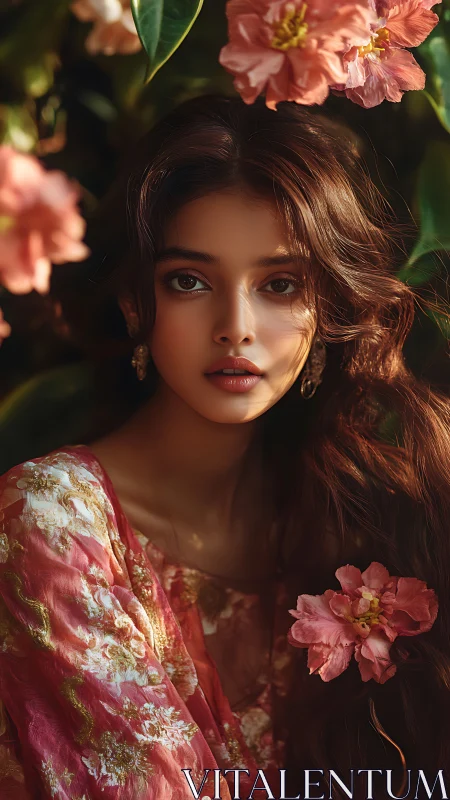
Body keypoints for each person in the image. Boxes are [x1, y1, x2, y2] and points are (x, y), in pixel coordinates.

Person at [0, 93, 449, 800]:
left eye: (279, 285)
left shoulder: (349, 521)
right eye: (190, 281)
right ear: (134, 303)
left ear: (324, 307)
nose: (235, 327)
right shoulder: (54, 521)